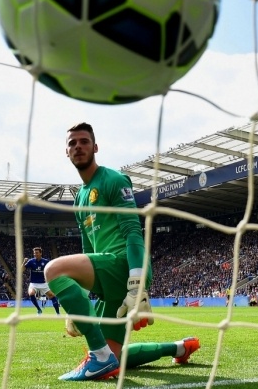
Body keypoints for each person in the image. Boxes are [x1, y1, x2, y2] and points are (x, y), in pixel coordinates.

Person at [44, 122, 199, 381]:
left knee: (53, 270)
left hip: (124, 267)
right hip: (107, 276)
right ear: (66, 151)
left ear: (95, 147)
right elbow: (88, 249)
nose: (78, 147)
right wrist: (76, 304)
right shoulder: (79, 199)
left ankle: (99, 356)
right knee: (114, 359)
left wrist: (137, 283)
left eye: (84, 141)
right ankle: (179, 347)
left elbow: (133, 232)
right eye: (72, 143)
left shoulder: (114, 180)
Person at [23, 247, 61, 315]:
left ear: (41, 253)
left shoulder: (46, 262)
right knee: (31, 293)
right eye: (34, 253)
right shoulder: (31, 261)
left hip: (43, 283)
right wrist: (24, 262)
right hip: (33, 283)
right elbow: (21, 270)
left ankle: (58, 313)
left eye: (37, 253)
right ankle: (39, 310)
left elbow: (53, 269)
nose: (35, 254)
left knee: (52, 296)